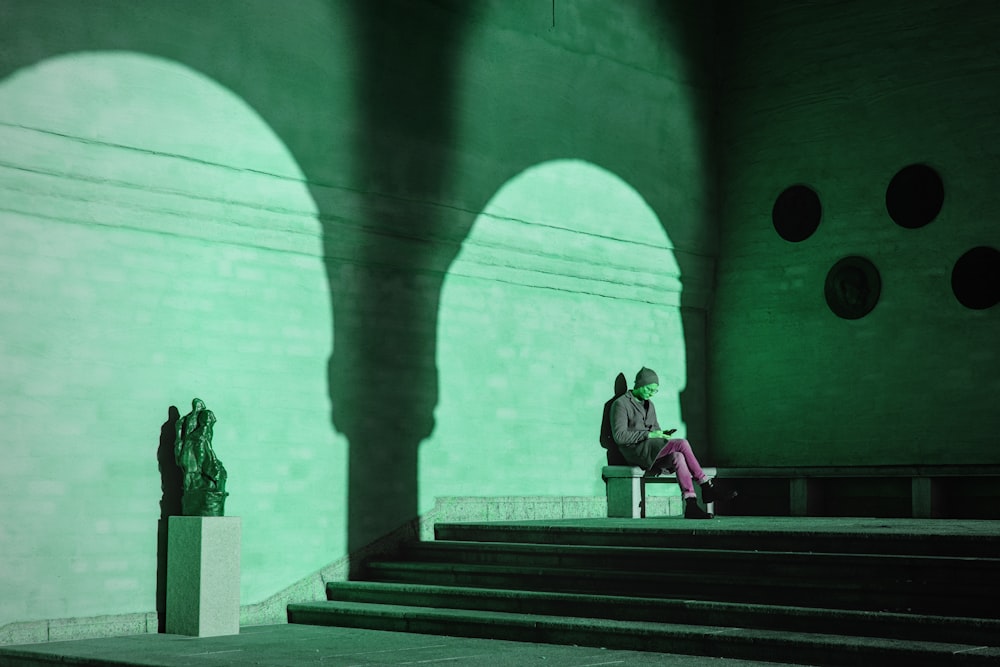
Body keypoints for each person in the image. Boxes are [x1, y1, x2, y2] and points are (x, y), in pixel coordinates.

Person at [610, 367, 735, 519]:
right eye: (649, 389)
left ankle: (691, 504)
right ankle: (706, 485)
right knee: (681, 443)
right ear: (640, 385)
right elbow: (619, 436)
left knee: (678, 457)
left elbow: (656, 430)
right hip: (635, 452)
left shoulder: (650, 405)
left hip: (651, 451)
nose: (651, 394)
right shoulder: (621, 404)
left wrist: (661, 435)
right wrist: (650, 434)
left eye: (654, 391)